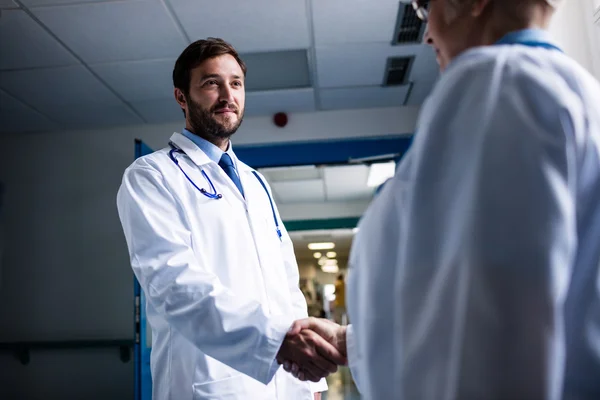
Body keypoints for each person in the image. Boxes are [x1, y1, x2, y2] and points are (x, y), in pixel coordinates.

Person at [283, 0, 600, 399]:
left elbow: (491, 338)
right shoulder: (570, 90)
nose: (428, 32)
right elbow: (485, 302)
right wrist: (352, 342)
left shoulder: (501, 86)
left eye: (424, 7)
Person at [116, 38, 345, 400]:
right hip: (209, 385)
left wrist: (311, 384)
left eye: (236, 83)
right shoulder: (151, 176)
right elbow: (175, 285)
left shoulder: (255, 181)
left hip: (286, 386)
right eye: (211, 83)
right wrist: (276, 342)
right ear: (181, 97)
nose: (227, 95)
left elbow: (286, 284)